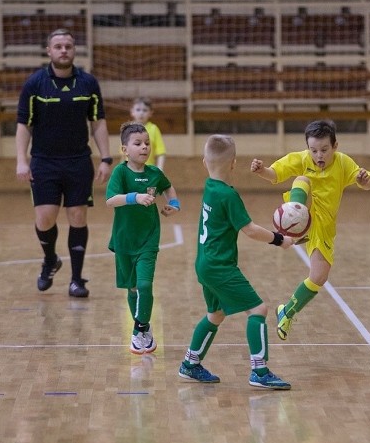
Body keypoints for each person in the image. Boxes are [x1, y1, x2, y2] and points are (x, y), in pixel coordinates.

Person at [179, 134, 294, 390]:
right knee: (259, 310)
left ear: (203, 162)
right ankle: (260, 372)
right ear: (233, 163)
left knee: (216, 314)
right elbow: (250, 230)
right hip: (220, 266)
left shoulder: (210, 186)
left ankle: (190, 364)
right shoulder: (228, 195)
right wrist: (279, 240)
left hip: (205, 264)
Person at [251, 119, 370, 341]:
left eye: (324, 150)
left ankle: (287, 312)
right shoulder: (301, 159)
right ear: (308, 148)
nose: (319, 155)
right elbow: (274, 173)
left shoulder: (343, 163)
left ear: (335, 146)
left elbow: (364, 183)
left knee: (319, 277)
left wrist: (363, 180)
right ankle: (294, 227)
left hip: (323, 227)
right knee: (301, 178)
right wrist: (261, 171)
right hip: (303, 212)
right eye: (314, 150)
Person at [15, 28, 113, 298]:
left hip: (78, 161)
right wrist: (21, 161)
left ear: (74, 50)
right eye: (57, 46)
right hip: (44, 162)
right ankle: (50, 260)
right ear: (49, 51)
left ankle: (77, 280)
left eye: (68, 46)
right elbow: (24, 125)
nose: (63, 50)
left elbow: (98, 123)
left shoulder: (88, 83)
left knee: (78, 216)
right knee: (45, 219)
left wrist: (105, 158)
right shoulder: (35, 84)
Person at [106, 122, 180, 354]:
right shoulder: (120, 172)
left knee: (145, 284)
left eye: (147, 143)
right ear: (125, 150)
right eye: (137, 143)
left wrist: (174, 204)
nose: (144, 147)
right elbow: (111, 200)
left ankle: (139, 328)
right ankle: (142, 329)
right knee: (132, 289)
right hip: (124, 241)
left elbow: (168, 188)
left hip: (148, 240)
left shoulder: (155, 173)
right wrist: (135, 198)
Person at [125, 97, 167, 171]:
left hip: (148, 171)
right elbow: (124, 154)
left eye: (145, 110)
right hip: (130, 172)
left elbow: (161, 153)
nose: (141, 113)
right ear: (132, 112)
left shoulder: (154, 129)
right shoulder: (127, 129)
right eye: (138, 110)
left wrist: (160, 170)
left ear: (150, 113)